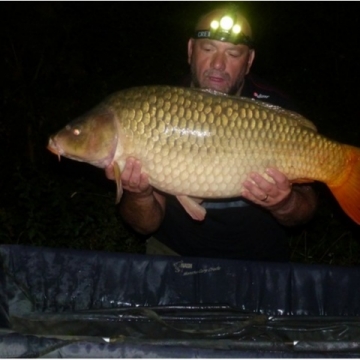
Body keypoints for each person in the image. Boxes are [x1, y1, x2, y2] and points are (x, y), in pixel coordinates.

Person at [106, 6, 318, 261]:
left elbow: (303, 213)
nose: (218, 64)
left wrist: (283, 203)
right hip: (175, 253)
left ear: (249, 61)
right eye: (208, 49)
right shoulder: (156, 110)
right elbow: (145, 226)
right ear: (190, 50)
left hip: (259, 260)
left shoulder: (275, 110)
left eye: (233, 53)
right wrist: (139, 194)